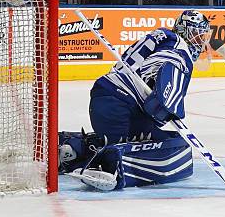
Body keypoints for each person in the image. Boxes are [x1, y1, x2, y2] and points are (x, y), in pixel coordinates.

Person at [59, 11, 212, 191]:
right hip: (118, 103)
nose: (201, 42)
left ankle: (72, 145)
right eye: (198, 35)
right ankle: (85, 155)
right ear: (186, 31)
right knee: (116, 154)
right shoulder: (179, 48)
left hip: (114, 100)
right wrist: (167, 104)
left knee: (161, 140)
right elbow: (154, 69)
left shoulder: (164, 37)